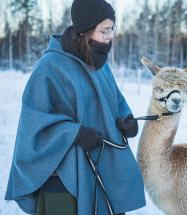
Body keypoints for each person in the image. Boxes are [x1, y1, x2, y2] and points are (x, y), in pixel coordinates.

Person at [4, 0, 146, 214]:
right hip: (64, 178)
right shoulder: (50, 67)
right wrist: (74, 133)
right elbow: (33, 123)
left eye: (112, 29)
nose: (110, 36)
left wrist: (126, 121)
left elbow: (115, 101)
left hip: (102, 171)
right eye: (104, 30)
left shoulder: (100, 65)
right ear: (85, 31)